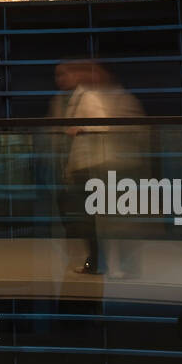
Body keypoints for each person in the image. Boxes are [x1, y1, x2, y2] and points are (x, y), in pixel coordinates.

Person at [52, 60, 146, 277]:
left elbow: (103, 125)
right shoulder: (76, 97)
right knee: (93, 219)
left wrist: (80, 128)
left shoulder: (92, 96)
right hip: (87, 166)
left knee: (95, 219)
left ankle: (101, 263)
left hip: (95, 166)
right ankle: (101, 262)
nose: (63, 80)